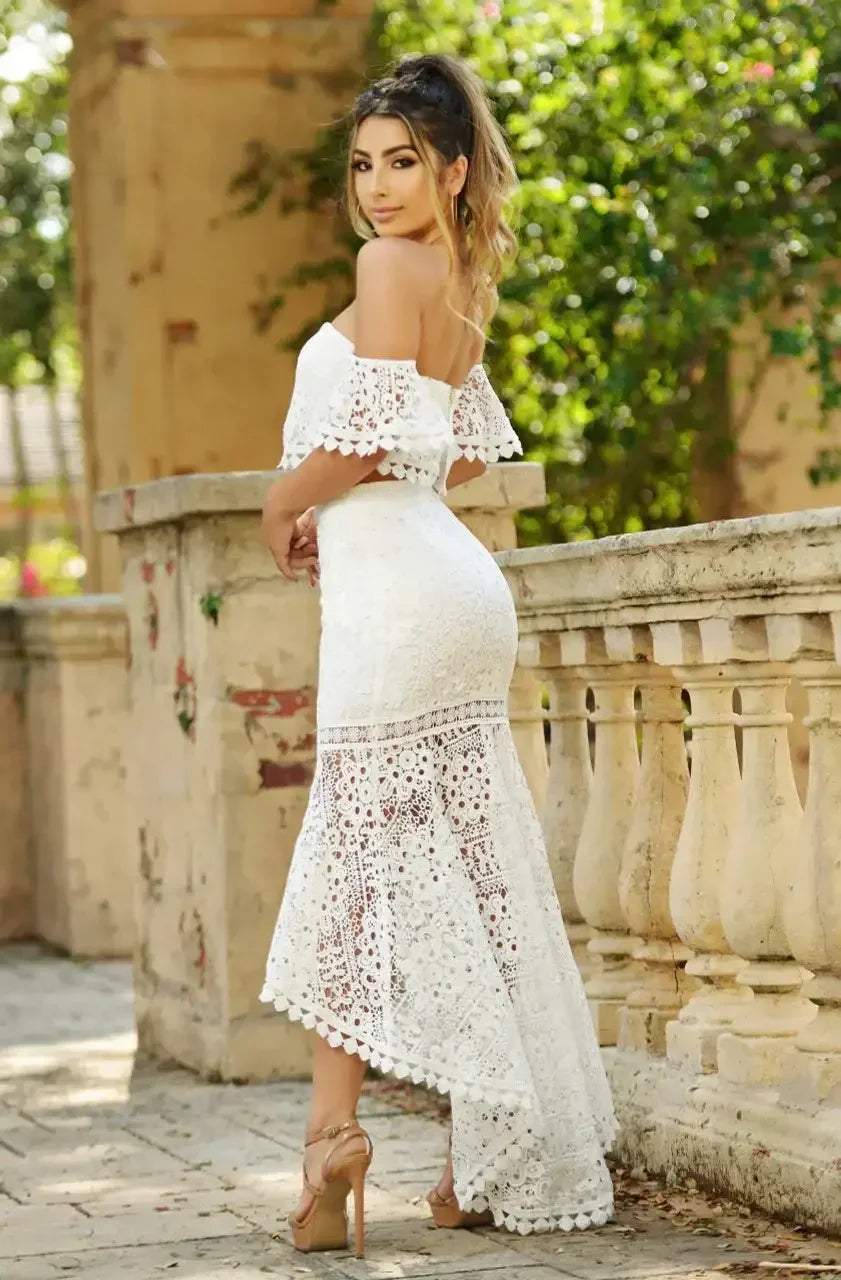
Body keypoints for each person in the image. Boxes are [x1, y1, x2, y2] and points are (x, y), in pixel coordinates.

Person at [259, 51, 616, 1261]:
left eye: (401, 161)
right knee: (478, 868)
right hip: (453, 583)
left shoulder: (382, 267)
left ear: (453, 169)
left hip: (403, 601)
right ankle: (483, 1159)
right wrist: (341, 505)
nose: (375, 186)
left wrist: (282, 502)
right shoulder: (461, 273)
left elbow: (364, 444)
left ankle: (330, 1142)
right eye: (361, 166)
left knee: (355, 871)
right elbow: (447, 455)